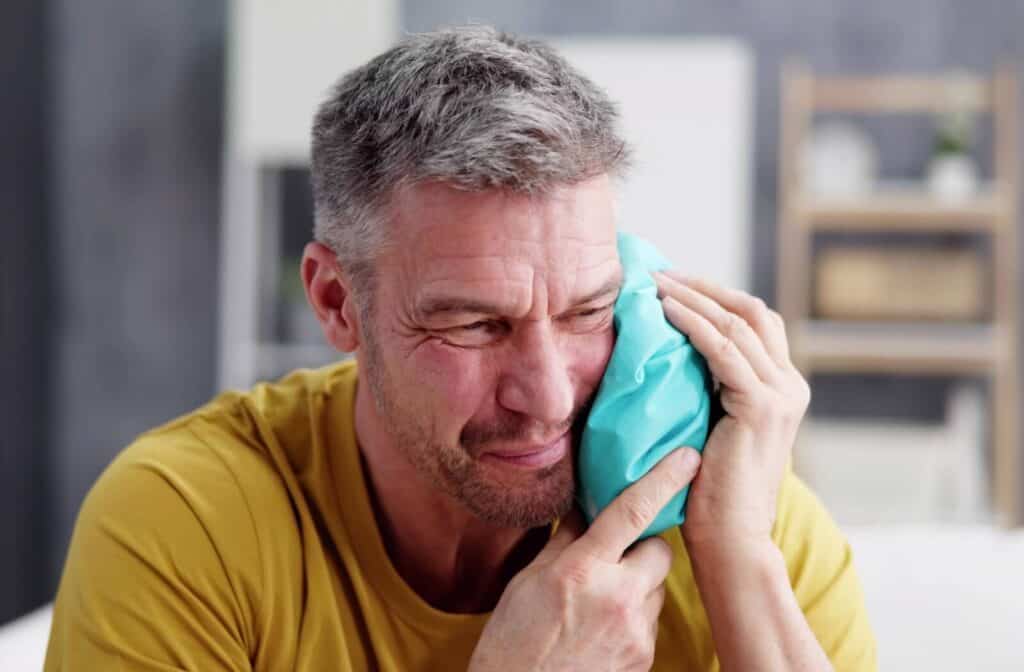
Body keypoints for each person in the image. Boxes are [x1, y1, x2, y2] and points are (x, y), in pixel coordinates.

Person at [45, 26, 876, 671]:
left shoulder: (734, 510)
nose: (548, 397)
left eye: (589, 310)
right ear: (338, 301)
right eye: (477, 325)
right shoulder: (186, 524)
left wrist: (738, 563)